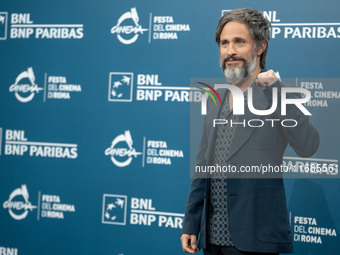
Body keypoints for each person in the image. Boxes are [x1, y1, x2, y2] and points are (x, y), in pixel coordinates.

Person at [180, 8, 319, 255]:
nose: (230, 50)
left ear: (260, 47)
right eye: (224, 43)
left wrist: (275, 90)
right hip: (212, 241)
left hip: (256, 241)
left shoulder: (278, 95)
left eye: (239, 42)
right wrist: (191, 223)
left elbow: (308, 146)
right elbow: (203, 166)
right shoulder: (216, 99)